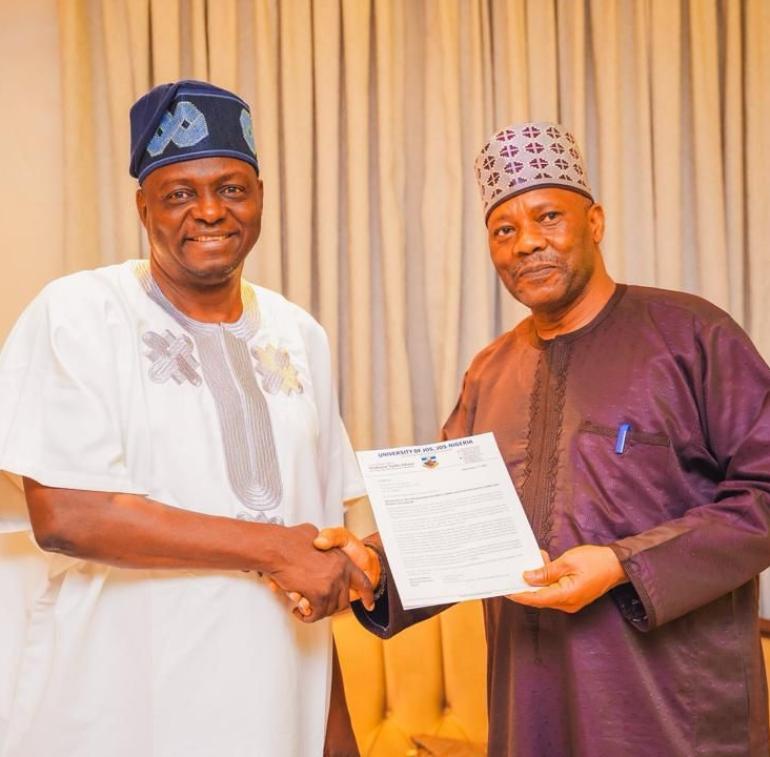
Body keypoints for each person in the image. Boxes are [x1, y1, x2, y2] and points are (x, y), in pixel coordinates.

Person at [316, 121, 770, 756]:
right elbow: (449, 523)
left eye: (548, 217)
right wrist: (373, 564)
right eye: (505, 230)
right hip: (530, 706)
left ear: (596, 222)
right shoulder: (489, 370)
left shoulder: (691, 335)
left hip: (671, 711)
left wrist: (622, 563)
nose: (527, 243)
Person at [0, 80, 372, 757]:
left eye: (232, 188)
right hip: (117, 704)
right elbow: (67, 516)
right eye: (179, 194)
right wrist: (271, 547)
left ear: (260, 194)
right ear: (143, 207)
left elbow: (314, 550)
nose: (209, 211)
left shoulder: (299, 334)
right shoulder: (80, 312)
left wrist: (335, 732)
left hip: (274, 704)